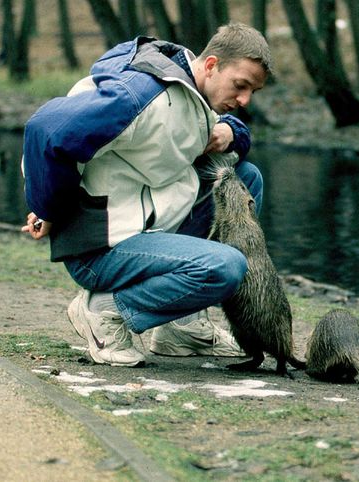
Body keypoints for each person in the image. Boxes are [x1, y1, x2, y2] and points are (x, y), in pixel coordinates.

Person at [21, 23, 271, 367]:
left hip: (140, 221)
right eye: (240, 86)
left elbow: (229, 138)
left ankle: (182, 327)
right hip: (100, 247)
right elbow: (46, 129)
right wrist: (47, 207)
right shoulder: (139, 95)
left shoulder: (192, 90)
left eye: (252, 92)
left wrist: (231, 131)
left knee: (243, 181)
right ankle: (105, 310)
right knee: (225, 268)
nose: (244, 100)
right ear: (211, 65)